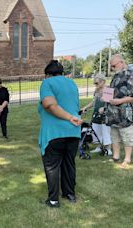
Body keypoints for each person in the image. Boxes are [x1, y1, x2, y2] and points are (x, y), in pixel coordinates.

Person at [38, 60, 83, 208]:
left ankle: (53, 200)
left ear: (48, 75)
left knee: (52, 166)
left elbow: (49, 105)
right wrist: (72, 118)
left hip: (54, 133)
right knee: (69, 163)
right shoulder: (72, 83)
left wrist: (69, 117)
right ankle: (69, 194)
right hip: (73, 132)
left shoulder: (47, 83)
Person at [106, 54, 133, 169]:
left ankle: (127, 159)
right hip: (113, 113)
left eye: (114, 66)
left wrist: (119, 101)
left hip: (126, 113)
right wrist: (105, 99)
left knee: (127, 135)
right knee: (114, 136)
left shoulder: (132, 74)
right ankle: (116, 157)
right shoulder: (117, 75)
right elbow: (111, 90)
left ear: (122, 62)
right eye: (111, 66)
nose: (112, 68)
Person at [81, 73, 112, 155]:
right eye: (94, 83)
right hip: (96, 114)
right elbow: (94, 102)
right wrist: (85, 108)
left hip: (106, 115)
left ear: (103, 82)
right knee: (96, 131)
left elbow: (109, 103)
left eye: (96, 83)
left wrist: (104, 108)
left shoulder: (108, 90)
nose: (95, 85)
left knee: (105, 131)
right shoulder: (96, 90)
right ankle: (99, 147)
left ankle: (108, 149)